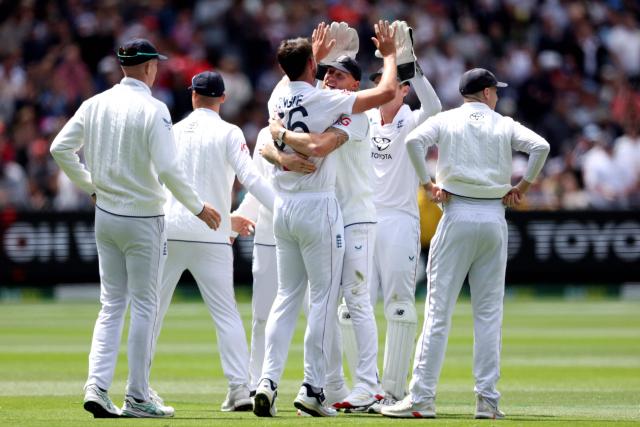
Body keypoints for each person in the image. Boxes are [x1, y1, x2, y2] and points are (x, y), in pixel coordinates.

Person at [49, 38, 221, 418]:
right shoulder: (154, 108)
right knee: (144, 305)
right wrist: (197, 207)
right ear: (148, 68)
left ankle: (96, 386)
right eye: (155, 64)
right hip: (143, 218)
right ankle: (138, 396)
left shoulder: (95, 103)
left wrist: (90, 186)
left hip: (106, 215)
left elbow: (59, 148)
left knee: (111, 304)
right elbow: (168, 169)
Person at [382, 68, 550, 419]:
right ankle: (487, 401)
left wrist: (427, 185)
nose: (498, 96)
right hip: (493, 218)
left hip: (456, 213)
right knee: (488, 314)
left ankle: (423, 398)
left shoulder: (447, 119)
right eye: (496, 91)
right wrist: (524, 187)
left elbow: (414, 142)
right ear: (487, 92)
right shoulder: (504, 124)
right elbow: (541, 146)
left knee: (438, 312)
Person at [252, 20, 398, 418]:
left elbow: (311, 142)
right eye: (327, 70)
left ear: (354, 84)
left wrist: (282, 136)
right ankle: (317, 386)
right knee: (323, 302)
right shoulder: (322, 99)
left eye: (342, 74)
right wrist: (281, 153)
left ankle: (365, 385)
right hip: (323, 212)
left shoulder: (343, 111)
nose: (332, 77)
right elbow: (268, 141)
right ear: (315, 71)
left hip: (352, 215)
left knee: (352, 302)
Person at [150, 71, 276, 412]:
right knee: (227, 314)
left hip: (170, 229)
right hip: (212, 233)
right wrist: (281, 207)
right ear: (222, 99)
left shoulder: (172, 131)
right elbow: (250, 177)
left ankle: (139, 387)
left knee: (153, 310)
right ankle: (239, 389)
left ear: (193, 96)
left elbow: (159, 179)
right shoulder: (229, 131)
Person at [366, 21, 442, 410]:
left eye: (390, 79)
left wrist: (410, 63)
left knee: (397, 303)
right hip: (363, 220)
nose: (382, 86)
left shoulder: (411, 119)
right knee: (355, 305)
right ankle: (365, 387)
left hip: (399, 219)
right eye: (379, 80)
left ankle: (393, 390)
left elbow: (436, 108)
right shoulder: (364, 119)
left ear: (404, 87)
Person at [234, 126, 312, 395]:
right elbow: (257, 186)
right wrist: (236, 223)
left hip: (307, 235)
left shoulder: (314, 129)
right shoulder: (266, 135)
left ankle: (317, 384)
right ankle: (257, 383)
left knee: (316, 312)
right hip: (268, 235)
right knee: (261, 315)